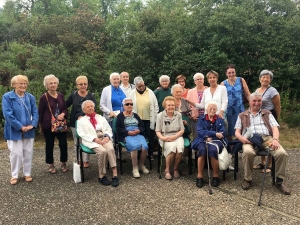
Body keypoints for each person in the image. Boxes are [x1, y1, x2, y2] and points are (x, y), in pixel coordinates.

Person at [234, 93, 290, 195]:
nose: (256, 103)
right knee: (247, 152)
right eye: (254, 101)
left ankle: (279, 181)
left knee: (281, 153)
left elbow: (275, 128)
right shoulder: (242, 115)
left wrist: (275, 140)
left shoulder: (267, 113)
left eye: (259, 101)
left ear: (261, 102)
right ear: (250, 102)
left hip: (267, 138)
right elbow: (237, 132)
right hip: (250, 139)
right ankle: (248, 179)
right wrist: (242, 139)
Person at [2, 75, 39, 185]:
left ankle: (27, 173)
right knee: (16, 153)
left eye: (25, 83)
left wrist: (32, 125)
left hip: (29, 130)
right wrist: (20, 126)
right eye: (20, 83)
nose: (23, 85)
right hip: (14, 130)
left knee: (28, 152)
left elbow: (35, 112)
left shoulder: (30, 97)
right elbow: (8, 114)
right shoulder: (7, 97)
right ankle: (14, 175)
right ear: (13, 85)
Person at [77, 100, 119, 187]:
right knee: (102, 151)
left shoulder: (100, 117)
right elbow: (82, 134)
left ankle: (115, 174)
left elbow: (108, 129)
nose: (90, 108)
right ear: (84, 110)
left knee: (111, 149)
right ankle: (102, 175)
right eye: (88, 107)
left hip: (104, 138)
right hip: (92, 140)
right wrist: (95, 139)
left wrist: (107, 137)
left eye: (91, 106)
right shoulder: (82, 120)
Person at [192, 101, 227, 188]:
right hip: (202, 139)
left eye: (214, 109)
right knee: (202, 150)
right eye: (210, 108)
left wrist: (212, 135)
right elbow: (200, 131)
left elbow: (222, 132)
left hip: (216, 141)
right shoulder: (201, 119)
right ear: (206, 110)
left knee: (213, 150)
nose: (212, 110)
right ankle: (199, 176)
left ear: (216, 110)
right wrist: (212, 134)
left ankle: (215, 176)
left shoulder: (220, 120)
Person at [38, 74, 68, 174]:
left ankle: (63, 162)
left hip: (61, 124)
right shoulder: (44, 97)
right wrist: (41, 127)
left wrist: (63, 114)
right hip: (48, 125)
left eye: (55, 83)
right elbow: (40, 113)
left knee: (63, 144)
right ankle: (50, 164)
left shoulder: (60, 95)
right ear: (46, 85)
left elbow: (65, 108)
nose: (53, 85)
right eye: (50, 83)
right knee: (49, 145)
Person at [66, 75, 96, 168]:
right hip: (75, 123)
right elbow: (65, 105)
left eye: (85, 84)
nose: (83, 86)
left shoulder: (91, 95)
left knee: (86, 141)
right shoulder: (73, 95)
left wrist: (84, 117)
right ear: (77, 85)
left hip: (87, 123)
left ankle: (86, 160)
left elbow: (93, 110)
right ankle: (78, 159)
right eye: (81, 84)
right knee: (77, 142)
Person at [254, 69, 281, 173]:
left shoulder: (272, 91)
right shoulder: (257, 90)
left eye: (267, 77)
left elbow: (278, 106)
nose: (265, 79)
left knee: (269, 139)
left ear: (270, 80)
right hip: (260, 116)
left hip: (269, 115)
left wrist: (276, 119)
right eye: (263, 77)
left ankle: (269, 165)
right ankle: (262, 162)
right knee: (261, 136)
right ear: (260, 79)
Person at [116, 98, 150, 178]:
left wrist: (138, 130)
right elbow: (118, 128)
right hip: (127, 135)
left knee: (145, 147)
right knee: (134, 147)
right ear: (123, 106)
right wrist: (128, 132)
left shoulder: (136, 115)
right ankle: (135, 168)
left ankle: (141, 165)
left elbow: (142, 126)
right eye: (127, 104)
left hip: (137, 134)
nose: (129, 106)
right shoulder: (120, 116)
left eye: (131, 104)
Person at [129, 76, 159, 160]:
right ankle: (139, 153)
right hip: (137, 119)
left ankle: (150, 153)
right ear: (135, 86)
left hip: (149, 118)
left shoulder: (150, 92)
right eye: (139, 86)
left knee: (150, 135)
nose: (142, 87)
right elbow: (129, 105)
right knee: (138, 135)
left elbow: (156, 105)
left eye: (143, 85)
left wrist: (156, 117)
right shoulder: (132, 93)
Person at [155, 96, 184, 180]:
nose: (171, 107)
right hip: (165, 136)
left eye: (172, 105)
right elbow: (157, 131)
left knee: (180, 148)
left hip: (177, 135)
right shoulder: (160, 115)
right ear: (165, 106)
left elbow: (182, 130)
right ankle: (167, 170)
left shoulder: (178, 115)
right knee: (171, 148)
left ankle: (175, 169)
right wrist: (163, 138)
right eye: (169, 105)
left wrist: (175, 136)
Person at [221, 64, 251, 141]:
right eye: (229, 73)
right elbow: (221, 98)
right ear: (226, 73)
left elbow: (248, 94)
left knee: (242, 127)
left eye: (233, 72)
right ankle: (231, 146)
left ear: (235, 72)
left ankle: (241, 144)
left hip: (240, 109)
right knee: (229, 129)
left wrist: (252, 105)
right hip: (229, 110)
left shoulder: (241, 80)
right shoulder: (223, 83)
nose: (231, 74)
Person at [186, 73, 207, 139]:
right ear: (195, 81)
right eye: (197, 79)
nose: (199, 80)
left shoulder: (208, 90)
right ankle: (197, 148)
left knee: (207, 134)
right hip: (196, 117)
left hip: (207, 116)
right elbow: (188, 105)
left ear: (203, 80)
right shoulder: (190, 91)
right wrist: (192, 115)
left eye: (201, 79)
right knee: (196, 135)